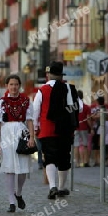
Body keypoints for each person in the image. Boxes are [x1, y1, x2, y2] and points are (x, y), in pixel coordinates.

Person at [33, 61, 80, 199]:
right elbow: (80, 107)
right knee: (64, 157)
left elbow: (36, 110)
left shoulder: (42, 90)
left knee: (50, 158)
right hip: (65, 130)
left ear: (48, 75)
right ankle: (62, 187)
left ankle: (52, 186)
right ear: (61, 75)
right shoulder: (69, 88)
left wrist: (36, 127)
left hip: (47, 129)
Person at [0, 74, 36, 212]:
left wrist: (31, 137)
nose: (13, 87)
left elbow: (30, 120)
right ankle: (11, 201)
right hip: (6, 134)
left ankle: (18, 193)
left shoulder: (26, 100)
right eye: (11, 84)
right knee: (9, 168)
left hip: (21, 133)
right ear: (7, 86)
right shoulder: (1, 102)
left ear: (19, 85)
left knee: (23, 169)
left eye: (16, 84)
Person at [74, 90, 92, 167]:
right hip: (84, 128)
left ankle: (77, 163)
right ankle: (85, 161)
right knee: (85, 145)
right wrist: (91, 128)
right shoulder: (86, 107)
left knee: (76, 145)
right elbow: (88, 119)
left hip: (75, 128)